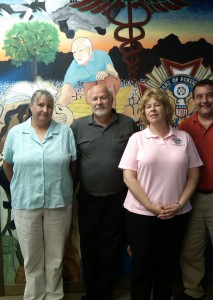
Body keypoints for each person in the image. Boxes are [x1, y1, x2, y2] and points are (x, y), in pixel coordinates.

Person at [118, 87, 203, 300]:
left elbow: (193, 175)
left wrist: (180, 204)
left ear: (167, 109)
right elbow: (129, 177)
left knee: (168, 268)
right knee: (142, 269)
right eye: (148, 106)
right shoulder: (137, 139)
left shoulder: (184, 138)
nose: (152, 109)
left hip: (176, 214)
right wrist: (150, 206)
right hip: (141, 215)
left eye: (157, 104)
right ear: (143, 112)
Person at [2, 90, 77, 300]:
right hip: (25, 204)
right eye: (41, 105)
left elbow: (73, 166)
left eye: (49, 106)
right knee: (32, 260)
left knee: (55, 260)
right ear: (32, 107)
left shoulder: (65, 133)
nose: (45, 110)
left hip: (59, 203)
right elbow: (7, 165)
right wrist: (20, 185)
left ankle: (54, 296)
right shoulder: (16, 134)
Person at [70, 84, 138, 300]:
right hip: (88, 199)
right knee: (89, 248)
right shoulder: (77, 127)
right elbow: (72, 163)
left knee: (111, 248)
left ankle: (104, 294)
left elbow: (139, 161)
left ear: (112, 100)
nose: (99, 102)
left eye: (103, 98)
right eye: (95, 99)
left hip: (119, 199)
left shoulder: (128, 124)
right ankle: (91, 294)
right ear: (89, 102)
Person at [178, 79, 213, 300]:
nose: (204, 100)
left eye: (209, 95)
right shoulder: (185, 126)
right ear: (193, 99)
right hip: (191, 198)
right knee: (191, 250)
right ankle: (192, 291)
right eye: (199, 96)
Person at [59, 37, 120, 108]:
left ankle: (111, 112)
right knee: (89, 98)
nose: (77, 55)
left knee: (106, 81)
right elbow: (67, 88)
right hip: (91, 83)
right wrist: (60, 105)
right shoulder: (74, 67)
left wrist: (106, 72)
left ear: (88, 50)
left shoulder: (101, 55)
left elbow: (114, 73)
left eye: (80, 50)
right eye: (74, 52)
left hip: (110, 81)